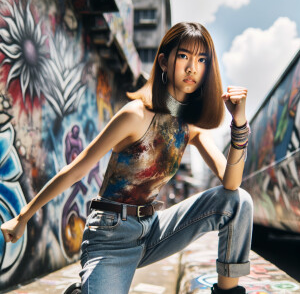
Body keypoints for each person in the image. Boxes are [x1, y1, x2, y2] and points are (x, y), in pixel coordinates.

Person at [1, 22, 253, 294]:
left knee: (238, 202)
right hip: (110, 235)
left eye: (202, 59)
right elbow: (76, 170)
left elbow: (231, 183)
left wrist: (239, 125)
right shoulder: (135, 115)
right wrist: (23, 217)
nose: (192, 67)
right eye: (184, 56)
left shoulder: (190, 127)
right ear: (164, 62)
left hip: (153, 229)